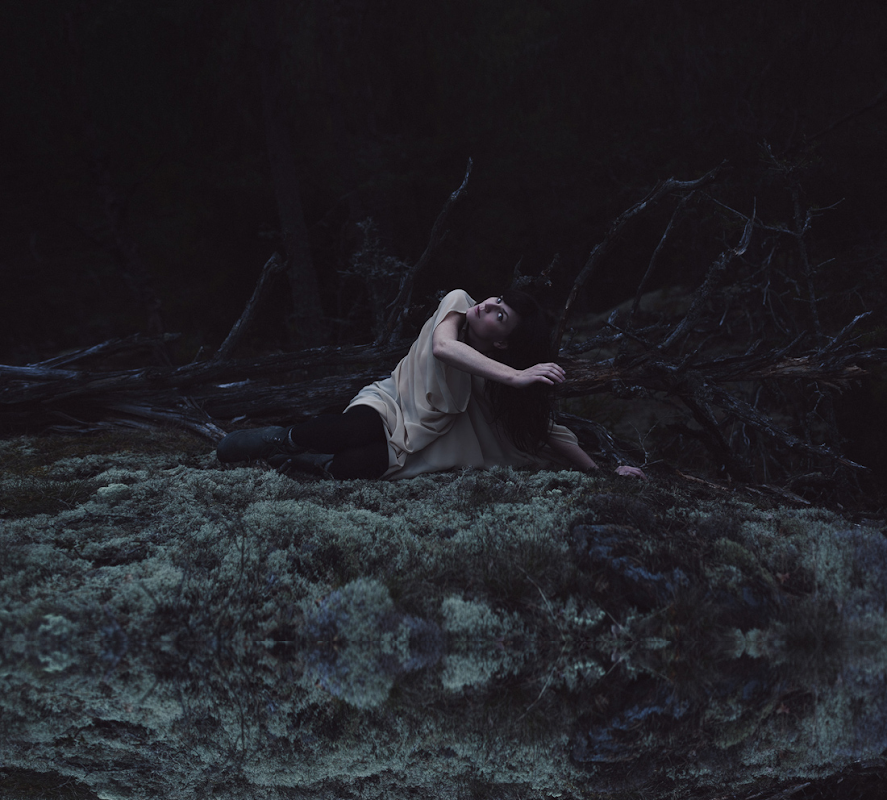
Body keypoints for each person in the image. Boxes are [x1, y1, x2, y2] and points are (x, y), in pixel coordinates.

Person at [216, 289, 646, 481]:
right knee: (355, 428)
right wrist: (517, 375)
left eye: (500, 315)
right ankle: (280, 440)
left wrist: (601, 472)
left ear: (502, 342)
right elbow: (443, 348)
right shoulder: (457, 304)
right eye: (497, 299)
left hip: (417, 445)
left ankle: (311, 463)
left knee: (353, 467)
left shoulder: (493, 376)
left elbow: (547, 432)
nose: (489, 305)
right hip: (390, 403)